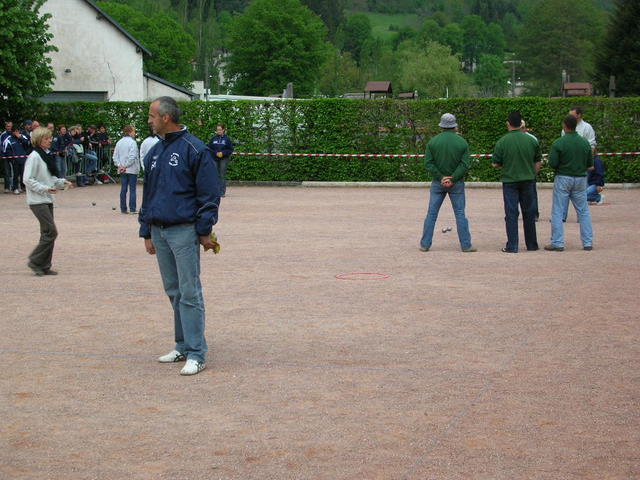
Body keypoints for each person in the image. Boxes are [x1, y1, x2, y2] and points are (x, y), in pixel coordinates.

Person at [139, 97, 222, 376]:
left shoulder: (195, 149)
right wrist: (145, 231)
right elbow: (148, 194)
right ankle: (182, 345)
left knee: (189, 292)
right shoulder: (154, 151)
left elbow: (209, 195)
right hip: (158, 230)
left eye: (152, 115)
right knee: (173, 291)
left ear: (166, 117)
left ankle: (197, 353)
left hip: (183, 230)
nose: (149, 120)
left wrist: (204, 230)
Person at [419, 113, 476, 252]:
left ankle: (425, 244)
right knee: (460, 214)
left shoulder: (433, 142)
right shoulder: (462, 142)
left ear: (441, 126)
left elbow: (428, 163)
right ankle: (466, 245)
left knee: (431, 214)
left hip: (438, 183)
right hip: (456, 184)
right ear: (454, 126)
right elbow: (464, 164)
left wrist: (441, 177)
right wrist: (453, 178)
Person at [23, 127, 72, 276]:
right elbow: (27, 179)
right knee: (51, 232)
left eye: (50, 138)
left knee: (46, 233)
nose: (50, 140)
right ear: (39, 140)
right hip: (37, 200)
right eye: (46, 138)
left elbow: (50, 178)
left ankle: (44, 265)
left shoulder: (45, 155)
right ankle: (35, 260)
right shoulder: (34, 157)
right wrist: (44, 189)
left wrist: (62, 182)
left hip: (46, 199)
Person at [492, 111, 542, 253]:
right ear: (521, 124)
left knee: (511, 213)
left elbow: (495, 163)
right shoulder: (532, 140)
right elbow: (538, 162)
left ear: (508, 124)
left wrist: (507, 165)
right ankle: (532, 245)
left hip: (510, 181)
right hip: (528, 180)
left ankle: (512, 246)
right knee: (529, 213)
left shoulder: (502, 141)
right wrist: (532, 173)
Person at [545, 115, 594, 252]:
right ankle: (587, 242)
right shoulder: (584, 142)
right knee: (583, 211)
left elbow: (553, 163)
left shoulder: (558, 143)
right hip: (580, 178)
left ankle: (558, 242)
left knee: (558, 210)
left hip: (563, 177)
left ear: (564, 125)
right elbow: (590, 164)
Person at [113, 125, 140, 214]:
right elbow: (132, 156)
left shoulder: (119, 142)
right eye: (133, 131)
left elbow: (115, 156)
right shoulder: (132, 142)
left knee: (123, 189)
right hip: (131, 169)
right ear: (130, 132)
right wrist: (126, 165)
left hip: (122, 169)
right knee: (132, 189)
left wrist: (120, 165)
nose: (134, 133)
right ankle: (132, 208)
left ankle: (123, 209)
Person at [520, 120, 540, 221]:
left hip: (529, 170)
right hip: (523, 170)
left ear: (524, 128)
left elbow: (537, 158)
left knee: (532, 193)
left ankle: (534, 213)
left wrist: (534, 172)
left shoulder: (533, 139)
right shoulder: (532, 139)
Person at [207, 123, 234, 196]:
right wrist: (215, 153)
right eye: (217, 130)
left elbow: (230, 149)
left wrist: (223, 153)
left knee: (222, 175)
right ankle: (215, 191)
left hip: (224, 159)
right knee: (214, 175)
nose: (218, 131)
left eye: (220, 130)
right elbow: (209, 148)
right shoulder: (213, 139)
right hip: (214, 159)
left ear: (223, 130)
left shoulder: (227, 139)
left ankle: (222, 192)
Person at [3, 125, 31, 194]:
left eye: (18, 131)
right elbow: (6, 150)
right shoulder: (8, 139)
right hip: (14, 160)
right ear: (12, 132)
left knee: (23, 174)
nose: (17, 132)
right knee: (15, 175)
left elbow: (28, 144)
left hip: (23, 159)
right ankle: (15, 188)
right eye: (15, 131)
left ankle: (23, 187)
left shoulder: (23, 137)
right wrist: (12, 157)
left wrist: (20, 138)